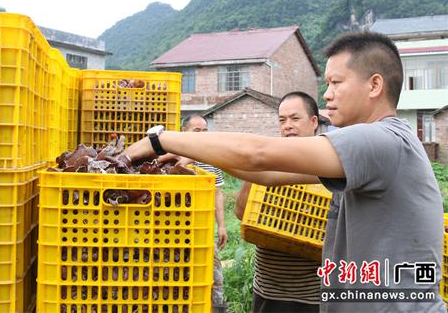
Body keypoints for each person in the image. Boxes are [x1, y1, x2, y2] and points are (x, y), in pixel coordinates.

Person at [124, 32, 444, 312]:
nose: (327, 95)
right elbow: (267, 174)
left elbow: (258, 154)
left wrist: (158, 139)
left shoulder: (380, 140)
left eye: (336, 83)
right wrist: (188, 150)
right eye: (326, 84)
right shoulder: (377, 149)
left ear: (375, 85)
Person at [235, 91, 322, 312]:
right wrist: (252, 172)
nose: (287, 125)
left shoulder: (328, 164)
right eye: (282, 120)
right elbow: (241, 212)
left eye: (295, 118)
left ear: (313, 122)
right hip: (268, 289)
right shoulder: (270, 162)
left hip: (314, 294)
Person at [158, 115, 228, 312]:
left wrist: (221, 226)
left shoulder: (210, 158)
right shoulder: (171, 155)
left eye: (205, 131)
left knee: (213, 275)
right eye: (196, 131)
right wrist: (185, 156)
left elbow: (217, 192)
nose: (202, 135)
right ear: (184, 132)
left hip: (202, 228)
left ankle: (215, 307)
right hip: (173, 231)